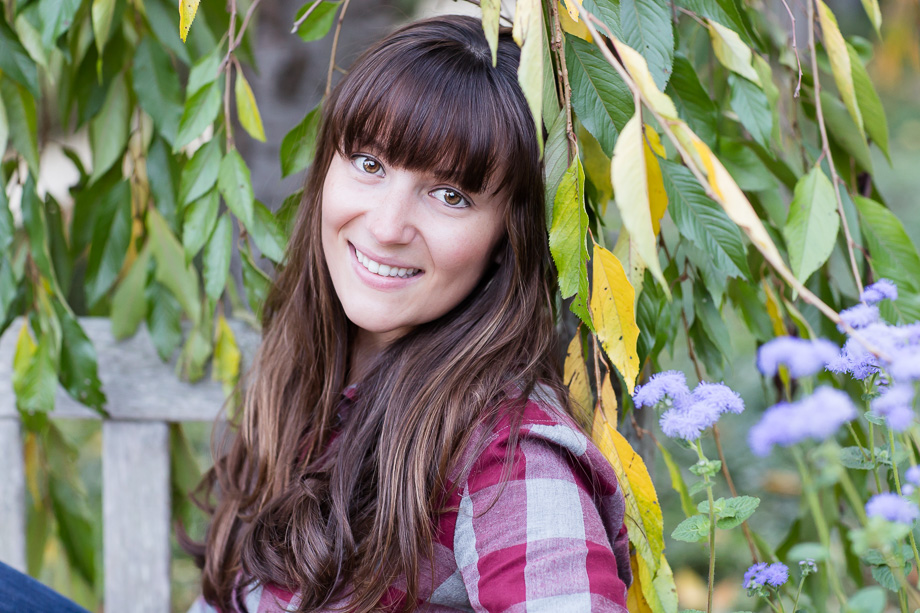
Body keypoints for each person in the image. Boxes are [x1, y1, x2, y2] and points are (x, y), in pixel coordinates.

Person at [185, 14, 632, 613]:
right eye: (370, 164)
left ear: (509, 239)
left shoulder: (505, 460)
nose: (386, 226)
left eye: (451, 196)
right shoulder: (307, 376)